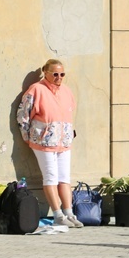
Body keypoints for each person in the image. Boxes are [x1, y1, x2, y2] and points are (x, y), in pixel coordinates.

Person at [17, 59, 82, 228]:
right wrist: (27, 136)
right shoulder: (36, 90)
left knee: (64, 178)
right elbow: (23, 115)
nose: (59, 77)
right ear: (45, 73)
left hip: (64, 142)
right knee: (51, 177)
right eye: (55, 74)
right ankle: (58, 214)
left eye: (62, 74)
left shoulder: (66, 91)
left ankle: (69, 213)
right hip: (43, 142)